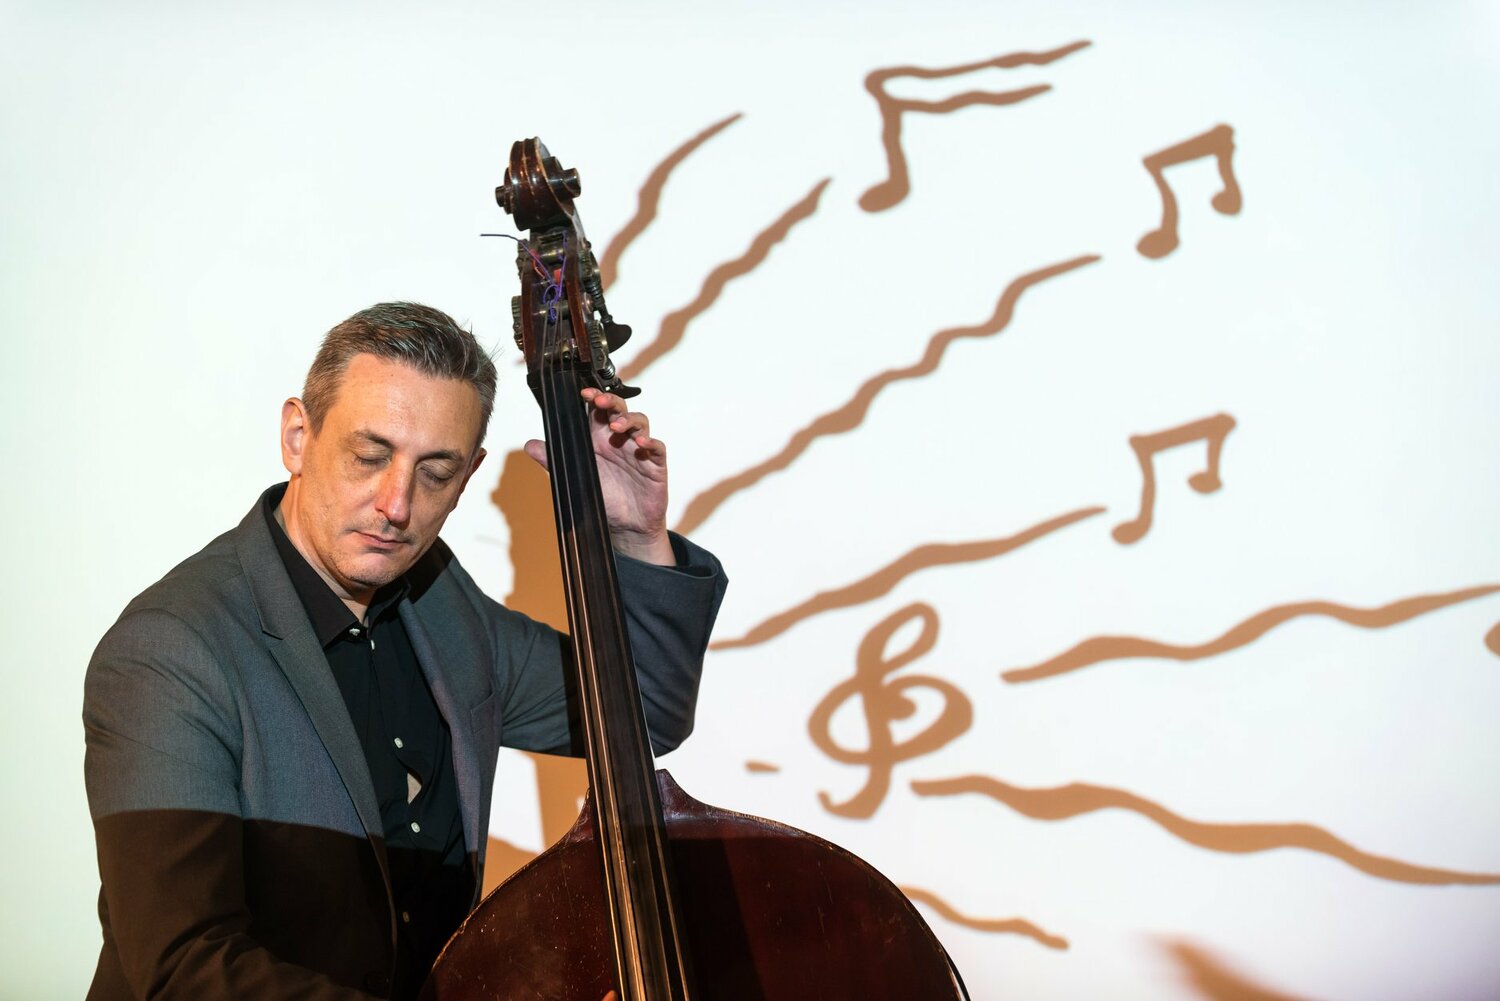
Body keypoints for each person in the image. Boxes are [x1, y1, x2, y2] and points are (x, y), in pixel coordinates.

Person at [82, 302, 727, 1000]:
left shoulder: (443, 603)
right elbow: (184, 969)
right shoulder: (170, 649)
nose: (397, 504)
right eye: (370, 456)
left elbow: (642, 714)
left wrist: (633, 538)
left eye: (436, 473)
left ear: (469, 474)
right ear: (297, 437)